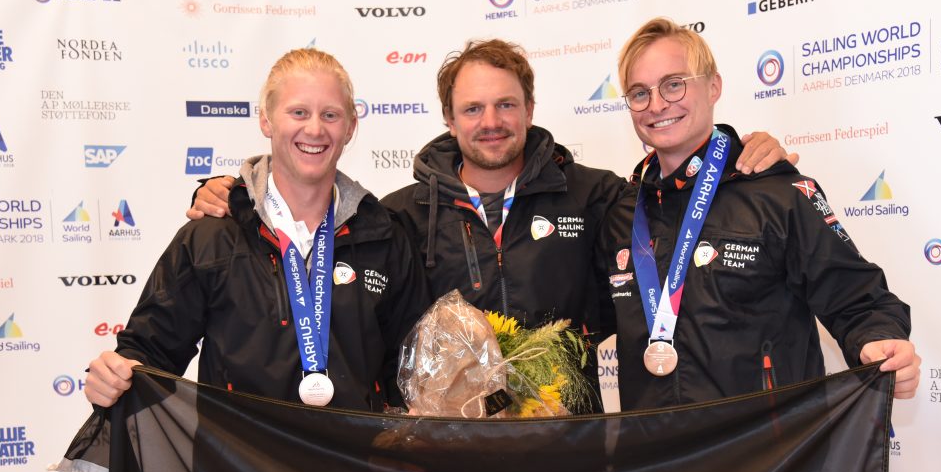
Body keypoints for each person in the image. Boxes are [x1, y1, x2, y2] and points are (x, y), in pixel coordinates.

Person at [187, 39, 795, 411]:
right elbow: (314, 236)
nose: (491, 121)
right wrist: (234, 195)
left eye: (506, 104)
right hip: (448, 464)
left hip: (567, 458)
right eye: (472, 108)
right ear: (450, 121)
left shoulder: (598, 196)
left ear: (530, 109)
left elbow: (677, 207)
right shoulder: (395, 216)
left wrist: (741, 157)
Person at [84, 48, 430, 411]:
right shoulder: (214, 236)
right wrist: (116, 377)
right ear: (266, 120)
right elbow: (148, 353)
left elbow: (411, 371)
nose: (314, 128)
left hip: (354, 464)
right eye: (298, 112)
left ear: (350, 128)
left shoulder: (383, 236)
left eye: (330, 115)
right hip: (236, 465)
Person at [603, 18, 920, 411]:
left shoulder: (777, 194)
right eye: (639, 93)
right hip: (656, 458)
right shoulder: (621, 212)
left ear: (713, 86)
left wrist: (879, 340)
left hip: (768, 459)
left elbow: (859, 301)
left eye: (673, 84)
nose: (657, 105)